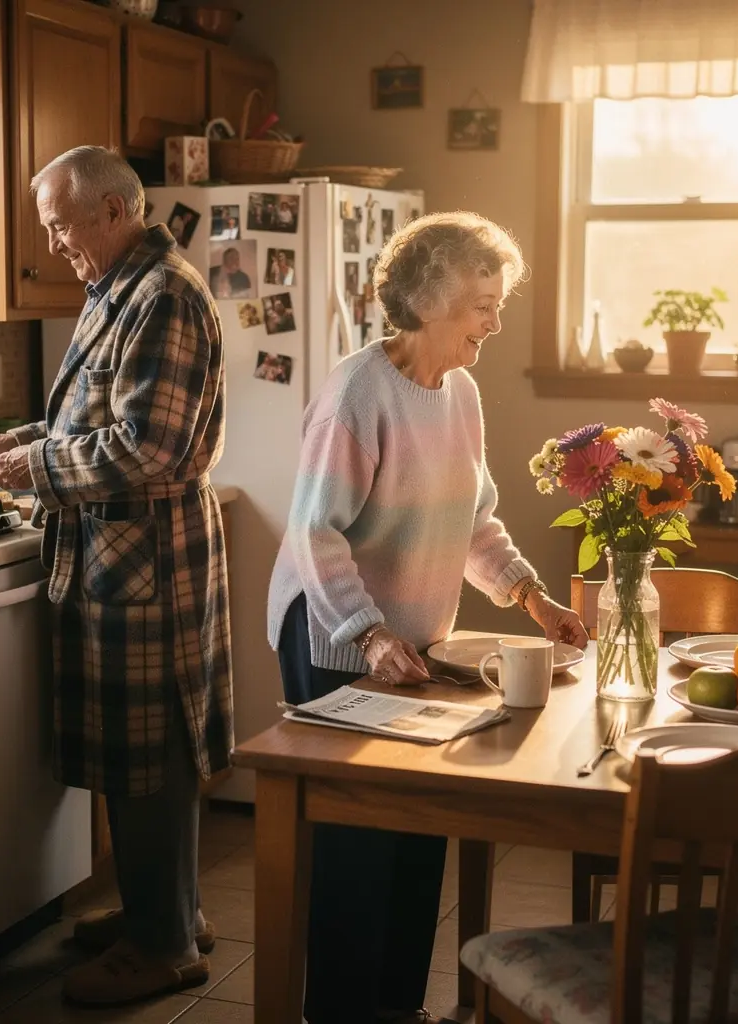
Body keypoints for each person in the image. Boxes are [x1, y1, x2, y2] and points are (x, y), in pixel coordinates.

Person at [266, 211, 589, 1024]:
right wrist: (368, 633)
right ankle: (342, 1013)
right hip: (335, 637)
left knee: (418, 835)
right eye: (483, 302)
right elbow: (315, 531)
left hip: (414, 638)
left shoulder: (462, 392)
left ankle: (397, 1009)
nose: (495, 320)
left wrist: (531, 597)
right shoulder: (356, 395)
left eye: (499, 301)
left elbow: (472, 519)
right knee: (357, 850)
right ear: (430, 297)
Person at [0, 146, 233, 1008]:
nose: (51, 243)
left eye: (59, 224)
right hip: (125, 552)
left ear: (112, 211)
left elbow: (147, 445)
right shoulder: (120, 287)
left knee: (151, 751)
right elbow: (98, 411)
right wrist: (19, 440)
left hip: (148, 555)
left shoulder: (163, 296)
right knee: (136, 747)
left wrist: (34, 467)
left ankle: (164, 946)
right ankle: (169, 910)